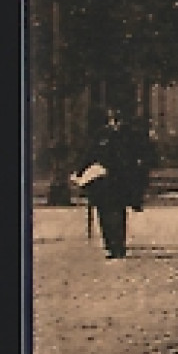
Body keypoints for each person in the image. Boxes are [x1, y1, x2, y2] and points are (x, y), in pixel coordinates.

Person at [73, 107, 156, 260]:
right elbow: (89, 155)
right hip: (103, 180)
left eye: (119, 119)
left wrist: (138, 173)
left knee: (118, 213)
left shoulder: (131, 136)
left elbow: (145, 155)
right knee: (104, 213)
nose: (116, 123)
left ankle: (118, 245)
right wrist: (79, 172)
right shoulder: (101, 135)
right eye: (113, 119)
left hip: (121, 180)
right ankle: (110, 244)